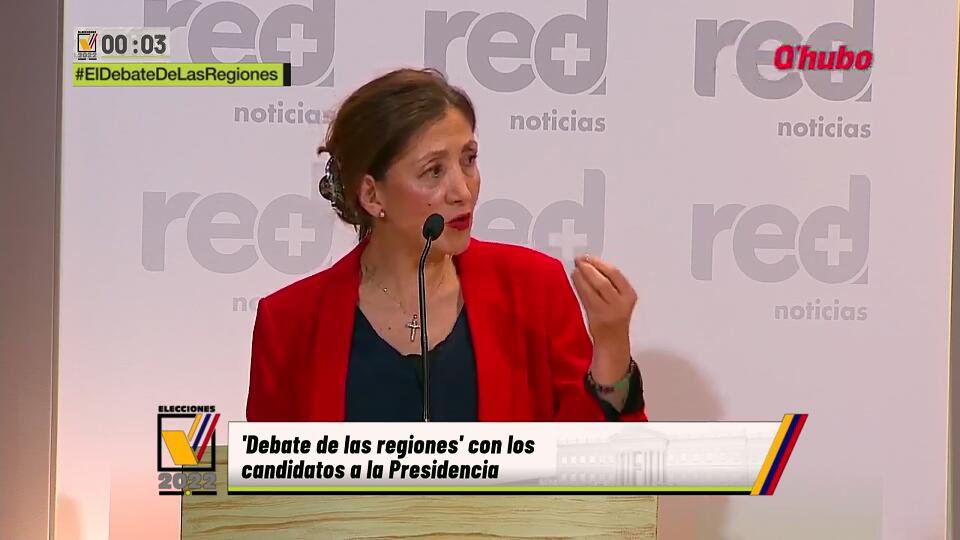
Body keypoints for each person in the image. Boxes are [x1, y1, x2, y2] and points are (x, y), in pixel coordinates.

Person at [246, 68, 647, 422]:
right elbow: (267, 477)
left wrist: (611, 344)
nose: (463, 191)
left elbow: (588, 460)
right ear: (372, 195)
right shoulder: (289, 322)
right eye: (434, 171)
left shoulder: (533, 288)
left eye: (468, 160)